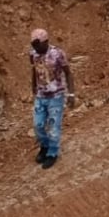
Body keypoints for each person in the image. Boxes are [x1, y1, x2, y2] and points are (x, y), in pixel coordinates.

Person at [29, 29, 74, 169]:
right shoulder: (33, 54)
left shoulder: (57, 53)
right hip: (41, 95)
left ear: (46, 42)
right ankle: (44, 146)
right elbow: (34, 70)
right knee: (38, 125)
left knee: (54, 127)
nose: (36, 48)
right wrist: (33, 87)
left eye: (38, 45)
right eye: (34, 45)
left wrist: (71, 94)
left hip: (56, 96)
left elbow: (68, 73)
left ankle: (52, 153)